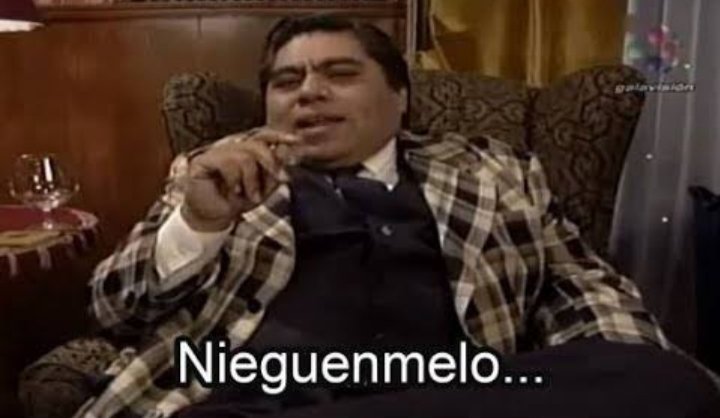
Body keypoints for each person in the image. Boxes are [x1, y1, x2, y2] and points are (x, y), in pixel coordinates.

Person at [79, 14, 720, 418]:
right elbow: (113, 311)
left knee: (663, 378)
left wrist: (629, 374)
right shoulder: (217, 173)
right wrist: (200, 223)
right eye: (287, 82)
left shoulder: (496, 169)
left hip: (461, 391)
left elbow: (580, 284)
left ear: (400, 95)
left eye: (339, 74)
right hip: (261, 396)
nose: (309, 92)